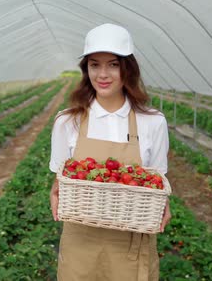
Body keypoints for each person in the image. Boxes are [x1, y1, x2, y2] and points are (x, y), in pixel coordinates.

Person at [49, 23, 171, 281]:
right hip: (80, 244)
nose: (103, 74)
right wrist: (55, 192)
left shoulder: (152, 122)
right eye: (94, 64)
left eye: (113, 65)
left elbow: (157, 180)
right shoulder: (67, 122)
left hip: (130, 246)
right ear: (86, 69)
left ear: (127, 69)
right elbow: (60, 182)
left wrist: (164, 203)